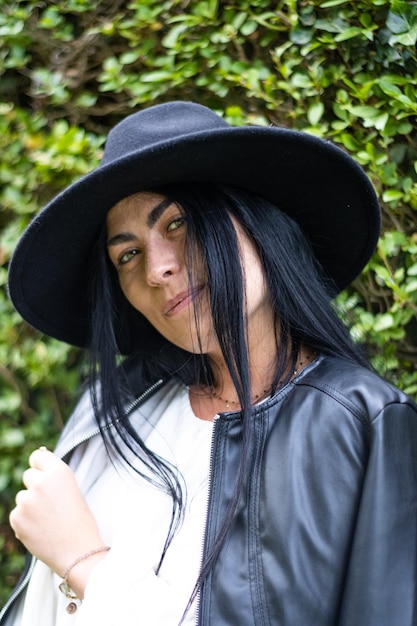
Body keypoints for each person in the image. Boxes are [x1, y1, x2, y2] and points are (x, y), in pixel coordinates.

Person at [1, 101, 417, 626]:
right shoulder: (115, 413)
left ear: (255, 219)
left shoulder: (360, 423)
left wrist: (89, 565)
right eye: (127, 255)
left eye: (177, 222)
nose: (157, 269)